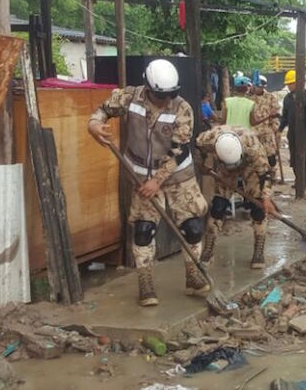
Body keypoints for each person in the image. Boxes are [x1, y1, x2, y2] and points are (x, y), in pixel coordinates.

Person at [88, 59, 210, 306]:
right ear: (148, 87)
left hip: (178, 177)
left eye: (169, 95)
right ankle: (145, 284)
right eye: (159, 96)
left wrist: (157, 180)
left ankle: (193, 275)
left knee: (193, 227)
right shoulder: (131, 97)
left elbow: (179, 151)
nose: (165, 101)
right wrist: (93, 124)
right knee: (143, 230)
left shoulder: (182, 108)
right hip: (141, 175)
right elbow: (104, 109)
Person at [195, 125, 276, 270]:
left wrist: (266, 198)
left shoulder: (253, 147)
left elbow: (266, 174)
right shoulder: (208, 139)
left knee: (258, 208)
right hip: (224, 169)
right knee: (218, 206)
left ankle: (258, 250)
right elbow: (197, 147)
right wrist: (201, 164)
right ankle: (208, 248)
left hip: (249, 166)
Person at [279, 69, 306, 188]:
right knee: (294, 154)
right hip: (292, 130)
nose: (289, 86)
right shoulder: (288, 99)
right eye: (288, 84)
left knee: (303, 153)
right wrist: (279, 130)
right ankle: (298, 179)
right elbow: (285, 117)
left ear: (298, 82)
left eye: (291, 83)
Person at [250, 76, 281, 171]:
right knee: (255, 156)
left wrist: (276, 129)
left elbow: (275, 113)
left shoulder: (271, 98)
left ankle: (271, 173)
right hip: (253, 131)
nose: (257, 88)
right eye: (255, 86)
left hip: (267, 131)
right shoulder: (249, 98)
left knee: (270, 155)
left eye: (259, 86)